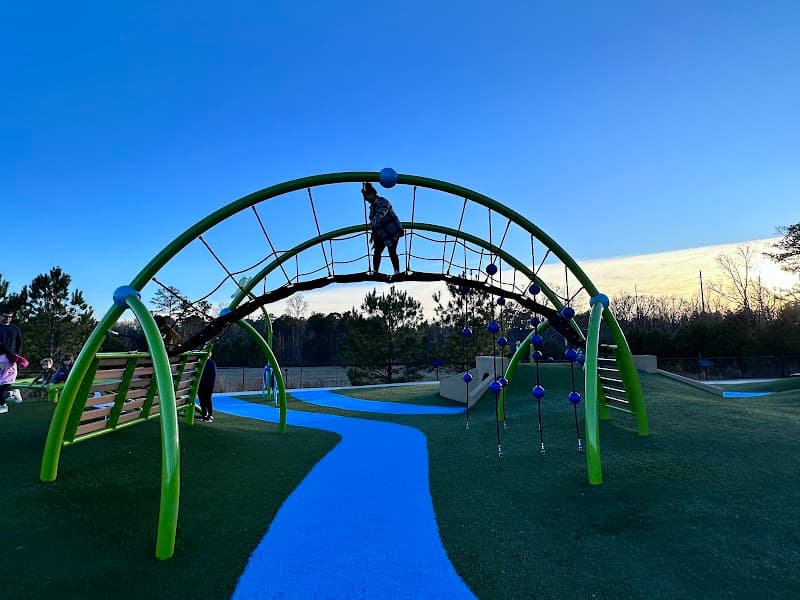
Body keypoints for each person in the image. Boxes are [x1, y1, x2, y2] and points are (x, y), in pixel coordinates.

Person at [362, 182, 403, 276]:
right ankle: (375, 272)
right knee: (377, 251)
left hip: (392, 231)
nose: (366, 200)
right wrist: (373, 235)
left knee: (392, 250)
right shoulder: (372, 208)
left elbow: (382, 211)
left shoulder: (383, 201)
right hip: (382, 233)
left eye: (366, 197)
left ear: (371, 194)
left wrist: (376, 219)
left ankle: (397, 272)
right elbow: (374, 224)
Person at [0, 343, 19, 414]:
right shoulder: (6, 356)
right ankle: (12, 393)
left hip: (8, 377)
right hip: (4, 376)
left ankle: (4, 406)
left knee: (0, 392)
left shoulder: (5, 357)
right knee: (1, 392)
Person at [197, 356, 216, 422]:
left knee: (207, 400)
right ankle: (205, 415)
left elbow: (212, 376)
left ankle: (209, 415)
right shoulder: (204, 363)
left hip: (207, 386)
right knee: (203, 401)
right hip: (202, 385)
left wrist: (210, 386)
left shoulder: (210, 363)